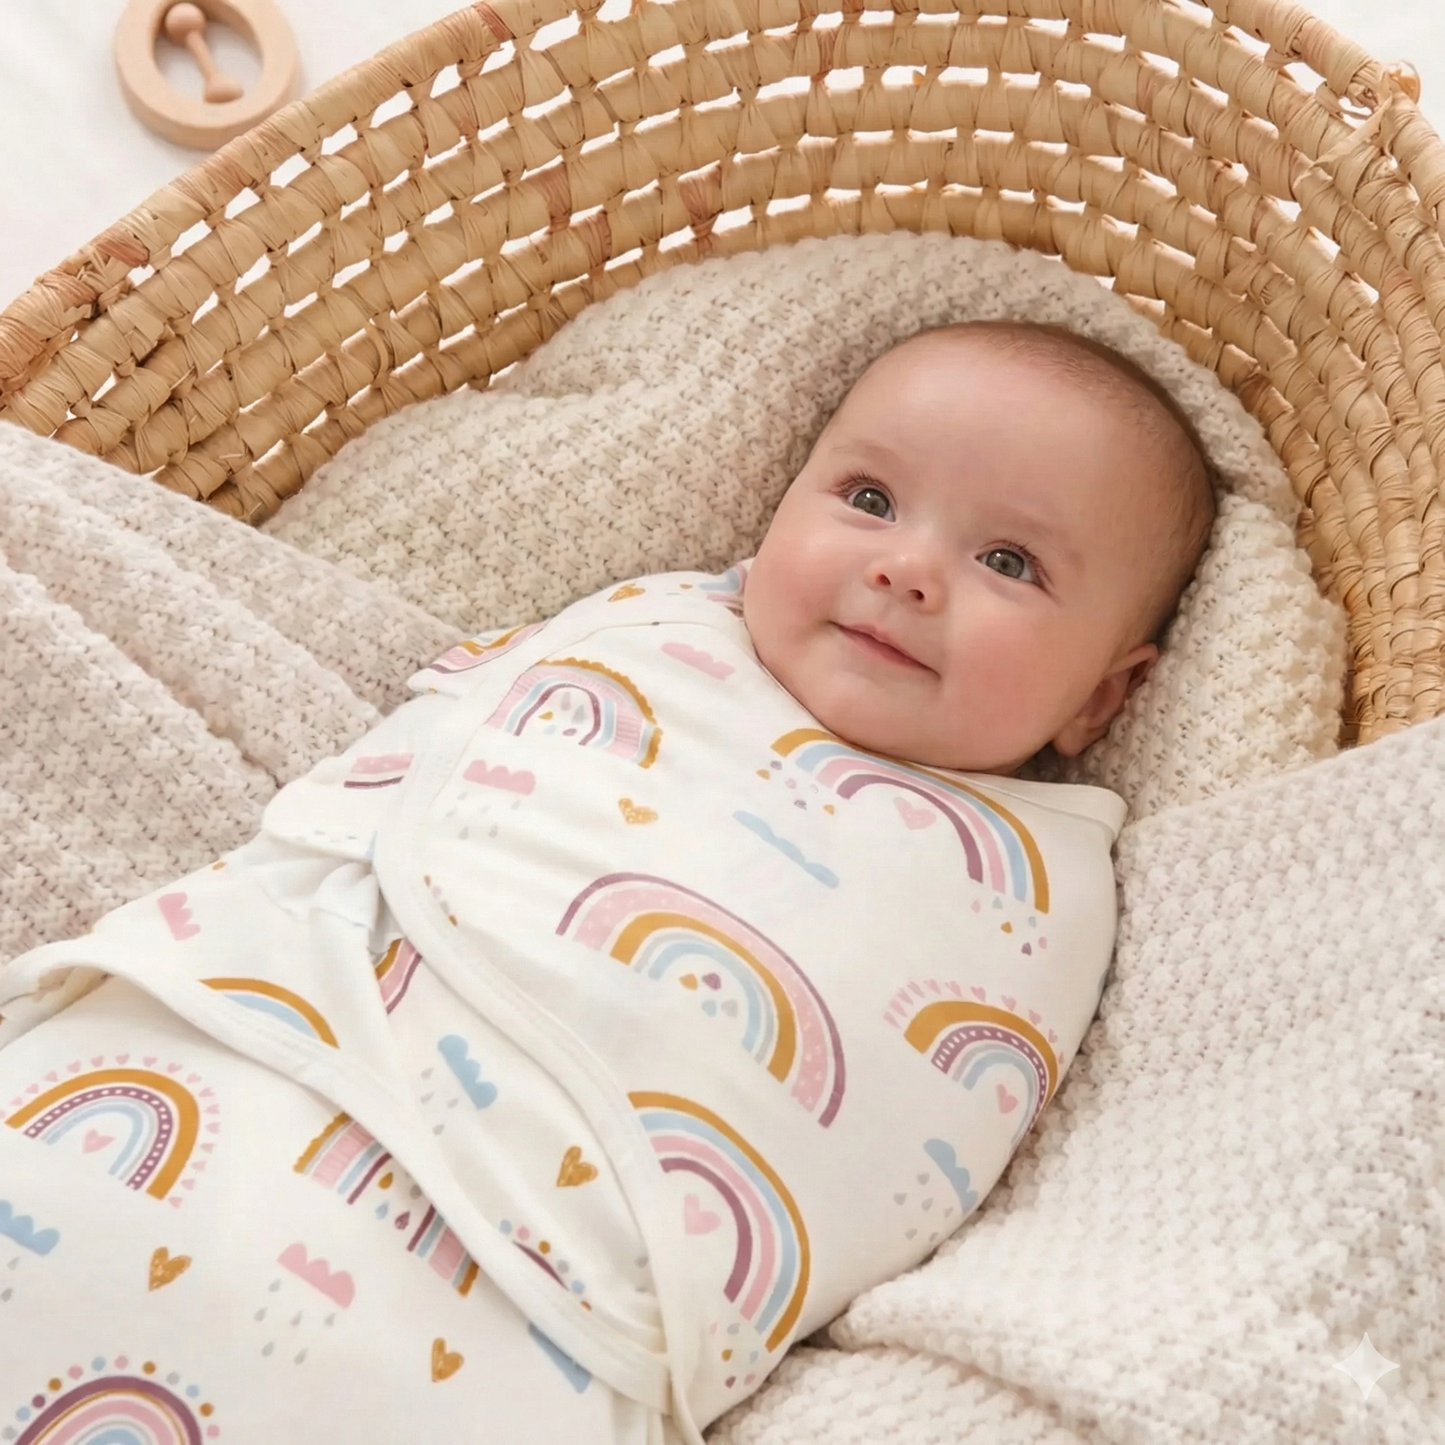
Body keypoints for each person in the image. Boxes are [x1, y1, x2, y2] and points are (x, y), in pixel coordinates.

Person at [0, 321, 1213, 1444]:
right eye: (867, 498)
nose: (905, 567)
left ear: (1105, 695)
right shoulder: (657, 643)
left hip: (544, 1296)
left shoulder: (1037, 886)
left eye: (1007, 560)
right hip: (247, 1055)